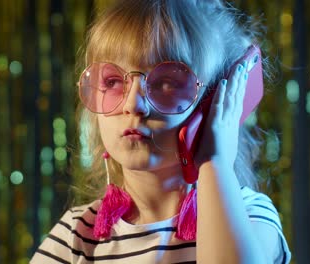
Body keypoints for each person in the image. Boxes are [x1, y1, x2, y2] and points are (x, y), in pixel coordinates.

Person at [31, 0, 291, 263]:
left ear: (215, 105)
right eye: (112, 81)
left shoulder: (249, 216)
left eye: (167, 82)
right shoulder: (76, 235)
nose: (133, 105)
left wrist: (215, 163)